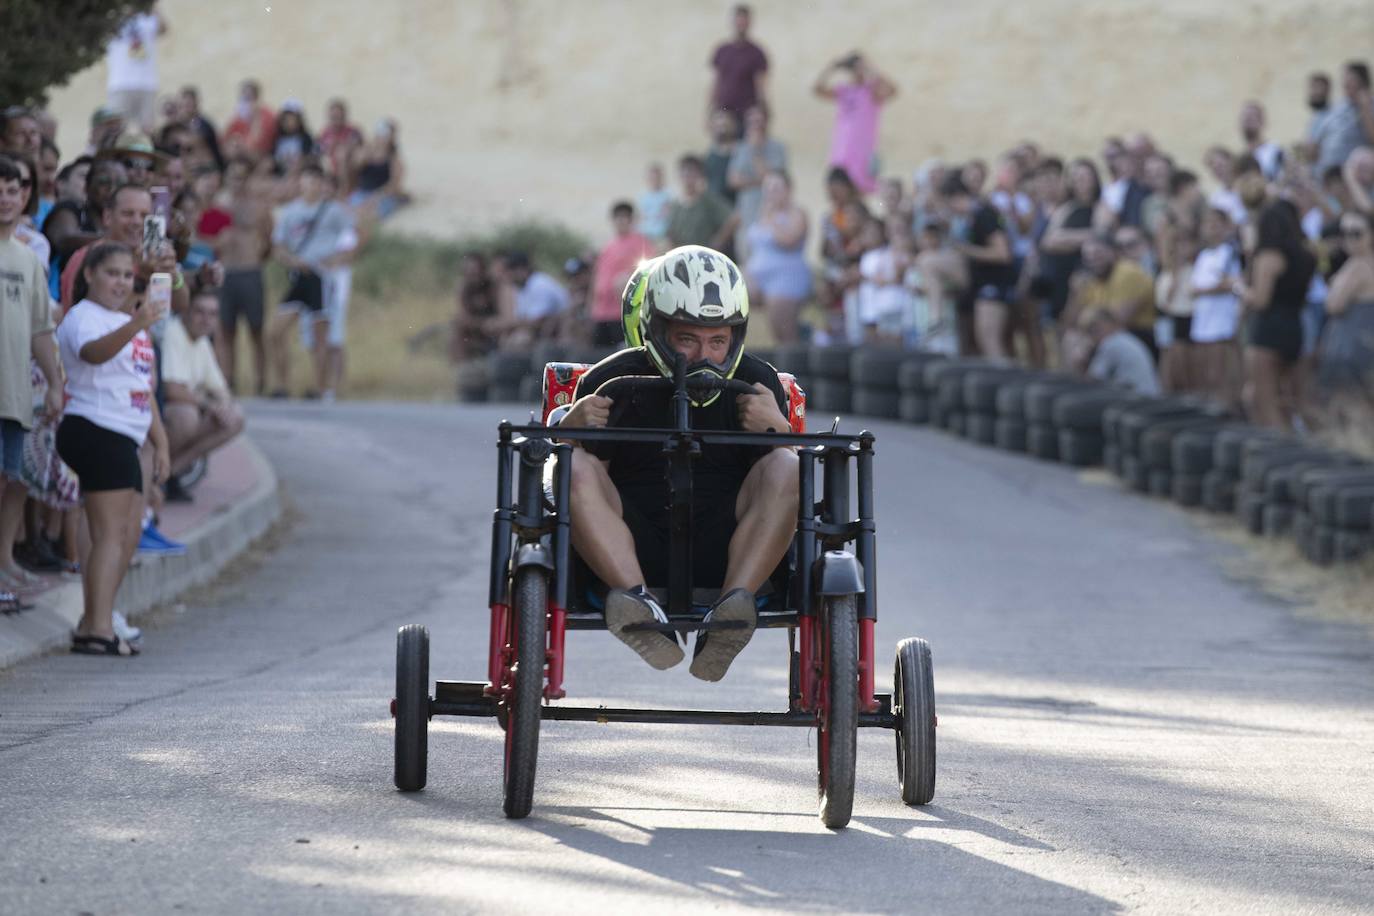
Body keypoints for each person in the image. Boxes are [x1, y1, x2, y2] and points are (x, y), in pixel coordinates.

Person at [560, 245, 797, 681]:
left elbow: (783, 487)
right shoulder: (610, 382)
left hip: (728, 553)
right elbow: (580, 490)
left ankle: (729, 616)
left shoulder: (759, 383)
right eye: (687, 339)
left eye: (718, 341)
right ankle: (640, 608)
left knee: (787, 464)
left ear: (736, 338)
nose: (704, 355)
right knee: (571, 466)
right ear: (658, 330)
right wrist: (570, 432)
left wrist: (778, 430)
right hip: (631, 551)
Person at [56, 242, 170, 656]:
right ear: (89, 275)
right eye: (112, 273)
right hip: (96, 427)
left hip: (126, 432)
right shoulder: (84, 317)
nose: (121, 282)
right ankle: (98, 628)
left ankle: (95, 619)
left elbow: (143, 386)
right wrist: (136, 323)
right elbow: (93, 354)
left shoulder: (126, 320)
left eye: (127, 274)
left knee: (126, 533)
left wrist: (162, 441)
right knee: (108, 535)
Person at [0, 158, 63, 610]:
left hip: (15, 395)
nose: (5, 197)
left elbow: (42, 329)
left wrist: (56, 385)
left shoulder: (28, 260)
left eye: (13, 190)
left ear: (25, 198)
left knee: (9, 482)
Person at [266, 163, 353, 397]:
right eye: (306, 180)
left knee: (320, 335)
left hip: (321, 277)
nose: (311, 186)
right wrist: (291, 261)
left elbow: (351, 239)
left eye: (315, 181)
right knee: (275, 331)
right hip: (298, 276)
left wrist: (335, 261)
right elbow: (278, 246)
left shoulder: (334, 210)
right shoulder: (290, 211)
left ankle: (320, 386)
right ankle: (282, 385)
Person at [1236, 200, 1318, 429]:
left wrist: (1239, 289)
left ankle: (1280, 455)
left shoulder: (1269, 256)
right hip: (1295, 326)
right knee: (1290, 399)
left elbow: (1261, 300)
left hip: (1267, 330)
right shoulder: (1306, 255)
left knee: (1265, 401)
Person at [160, 288, 245, 499]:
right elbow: (171, 388)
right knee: (186, 416)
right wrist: (208, 405)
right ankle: (155, 471)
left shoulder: (203, 342)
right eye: (200, 312)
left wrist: (223, 405)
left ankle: (170, 474)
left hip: (183, 408)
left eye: (213, 314)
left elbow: (219, 388)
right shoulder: (173, 332)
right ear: (186, 311)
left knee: (234, 417)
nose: (206, 320)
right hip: (158, 411)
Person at [214, 156, 273, 394]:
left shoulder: (259, 207)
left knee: (256, 329)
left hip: (250, 271)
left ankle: (261, 382)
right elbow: (208, 237)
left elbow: (269, 239)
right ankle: (228, 380)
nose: (236, 182)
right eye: (232, 177)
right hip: (227, 271)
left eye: (240, 177)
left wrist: (257, 258)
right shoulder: (218, 205)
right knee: (226, 330)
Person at [943, 172, 1015, 359]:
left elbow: (1002, 253)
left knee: (990, 339)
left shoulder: (985, 214)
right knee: (983, 340)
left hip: (995, 284)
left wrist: (966, 250)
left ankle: (1006, 382)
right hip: (983, 284)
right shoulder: (972, 217)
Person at [812, 52, 897, 195]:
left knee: (862, 191)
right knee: (839, 190)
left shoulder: (871, 91)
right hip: (841, 152)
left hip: (863, 152)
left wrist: (870, 68)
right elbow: (818, 90)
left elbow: (892, 90)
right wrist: (832, 67)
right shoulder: (843, 91)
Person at [1064, 232, 1159, 359]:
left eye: (1098, 254)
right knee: (1071, 338)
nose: (1093, 261)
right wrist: (1074, 293)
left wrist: (1085, 336)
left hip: (1139, 335)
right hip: (1108, 333)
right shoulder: (1092, 280)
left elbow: (1117, 321)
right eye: (1088, 257)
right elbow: (1071, 322)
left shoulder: (1127, 272)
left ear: (1114, 253)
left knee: (1088, 344)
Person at [1316, 210, 1374, 414]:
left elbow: (1334, 305)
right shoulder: (1358, 263)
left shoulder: (1359, 265)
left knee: (1351, 409)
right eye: (1345, 233)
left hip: (1352, 346)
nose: (1349, 239)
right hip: (1355, 342)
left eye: (1356, 233)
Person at [743, 170, 811, 343]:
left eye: (776, 188)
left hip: (785, 278)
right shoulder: (761, 214)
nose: (771, 193)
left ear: (788, 189)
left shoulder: (797, 213)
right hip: (759, 278)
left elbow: (789, 241)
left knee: (784, 332)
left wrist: (772, 218)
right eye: (768, 188)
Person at [1189, 207, 1244, 405]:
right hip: (1203, 319)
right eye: (1207, 223)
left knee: (1222, 372)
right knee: (1206, 372)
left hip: (1222, 321)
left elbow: (1232, 283)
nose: (1211, 228)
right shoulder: (1203, 255)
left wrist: (1205, 290)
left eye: (1216, 223)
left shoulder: (1230, 252)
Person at [727, 104, 787, 262]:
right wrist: (759, 181)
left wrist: (755, 152)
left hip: (771, 215)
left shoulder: (778, 148)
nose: (755, 126)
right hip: (746, 213)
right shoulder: (740, 148)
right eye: (752, 122)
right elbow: (733, 180)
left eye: (759, 121)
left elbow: (773, 179)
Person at [590, 202, 652, 346]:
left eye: (625, 217)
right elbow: (598, 276)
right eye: (618, 217)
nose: (621, 221)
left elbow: (647, 270)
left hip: (622, 313)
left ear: (631, 220)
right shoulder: (608, 246)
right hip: (601, 312)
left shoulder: (640, 242)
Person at [105, 7, 167, 133]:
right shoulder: (113, 20)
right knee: (115, 130)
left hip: (146, 83)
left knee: (148, 131)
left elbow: (163, 28)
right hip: (120, 83)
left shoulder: (146, 20)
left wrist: (152, 6)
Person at [1079, 309, 1161, 395]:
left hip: (1138, 399)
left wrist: (1081, 365)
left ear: (1112, 324)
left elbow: (1092, 380)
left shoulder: (1111, 343)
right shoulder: (1125, 338)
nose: (1094, 336)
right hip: (1148, 395)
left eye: (1098, 329)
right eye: (1091, 332)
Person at [708, 4, 768, 121]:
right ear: (733, 22)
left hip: (747, 113)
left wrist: (764, 111)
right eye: (738, 20)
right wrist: (709, 110)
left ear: (749, 23)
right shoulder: (722, 50)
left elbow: (761, 86)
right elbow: (715, 82)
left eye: (744, 21)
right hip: (724, 112)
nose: (741, 24)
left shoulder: (756, 53)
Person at [1314, 61, 1374, 174]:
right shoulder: (1339, 107)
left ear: (1361, 81)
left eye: (1349, 77)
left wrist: (1364, 107)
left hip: (1352, 176)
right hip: (1328, 173)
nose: (1344, 82)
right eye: (1343, 77)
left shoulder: (1369, 105)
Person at [666, 155, 736, 252]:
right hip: (682, 257)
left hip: (703, 256)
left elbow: (734, 218)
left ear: (699, 176)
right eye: (684, 174)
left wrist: (718, 241)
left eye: (691, 174)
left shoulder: (708, 201)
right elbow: (670, 233)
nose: (687, 179)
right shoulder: (675, 206)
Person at [349, 120, 407, 220]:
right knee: (351, 213)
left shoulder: (393, 159)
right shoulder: (366, 151)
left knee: (371, 215)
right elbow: (356, 166)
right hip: (362, 192)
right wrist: (370, 150)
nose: (383, 138)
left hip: (382, 196)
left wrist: (376, 197)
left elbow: (394, 184)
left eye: (386, 135)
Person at [450, 252, 499, 363]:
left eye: (476, 271)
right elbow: (463, 316)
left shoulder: (494, 286)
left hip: (496, 329)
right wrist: (480, 324)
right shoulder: (463, 288)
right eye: (469, 272)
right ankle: (462, 369)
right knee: (457, 330)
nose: (473, 275)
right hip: (478, 328)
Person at [1239, 101, 1284, 181]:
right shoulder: (1240, 159)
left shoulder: (1275, 151)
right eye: (1244, 118)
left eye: (1251, 117)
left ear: (1262, 121)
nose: (1247, 121)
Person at [703, 110, 739, 204]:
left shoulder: (742, 152)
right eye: (718, 126)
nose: (721, 130)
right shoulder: (708, 157)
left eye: (725, 126)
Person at [271, 100, 315, 174]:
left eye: (291, 119)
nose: (288, 123)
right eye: (285, 119)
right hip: (280, 175)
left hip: (299, 175)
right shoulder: (277, 139)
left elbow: (308, 159)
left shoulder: (306, 139)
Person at [636, 164, 673, 248]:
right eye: (651, 177)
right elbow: (640, 218)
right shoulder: (643, 197)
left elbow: (668, 216)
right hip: (646, 238)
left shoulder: (668, 195)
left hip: (662, 237)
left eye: (656, 177)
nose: (654, 180)